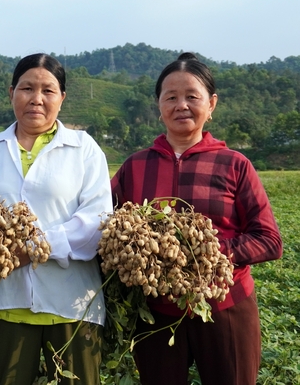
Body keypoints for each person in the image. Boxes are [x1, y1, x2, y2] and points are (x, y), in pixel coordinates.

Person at [111, 52, 283, 385]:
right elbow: (105, 224)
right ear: (158, 105)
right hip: (156, 309)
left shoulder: (234, 164)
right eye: (171, 97)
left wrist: (207, 254)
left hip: (225, 304)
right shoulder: (135, 166)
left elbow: (269, 240)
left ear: (212, 104)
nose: (182, 105)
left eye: (192, 96)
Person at [0, 53, 112, 385]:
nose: (37, 98)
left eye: (48, 90)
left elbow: (95, 223)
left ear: (62, 97)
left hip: (72, 305)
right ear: (11, 92)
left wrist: (31, 249)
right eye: (26, 88)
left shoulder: (84, 149)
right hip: (4, 302)